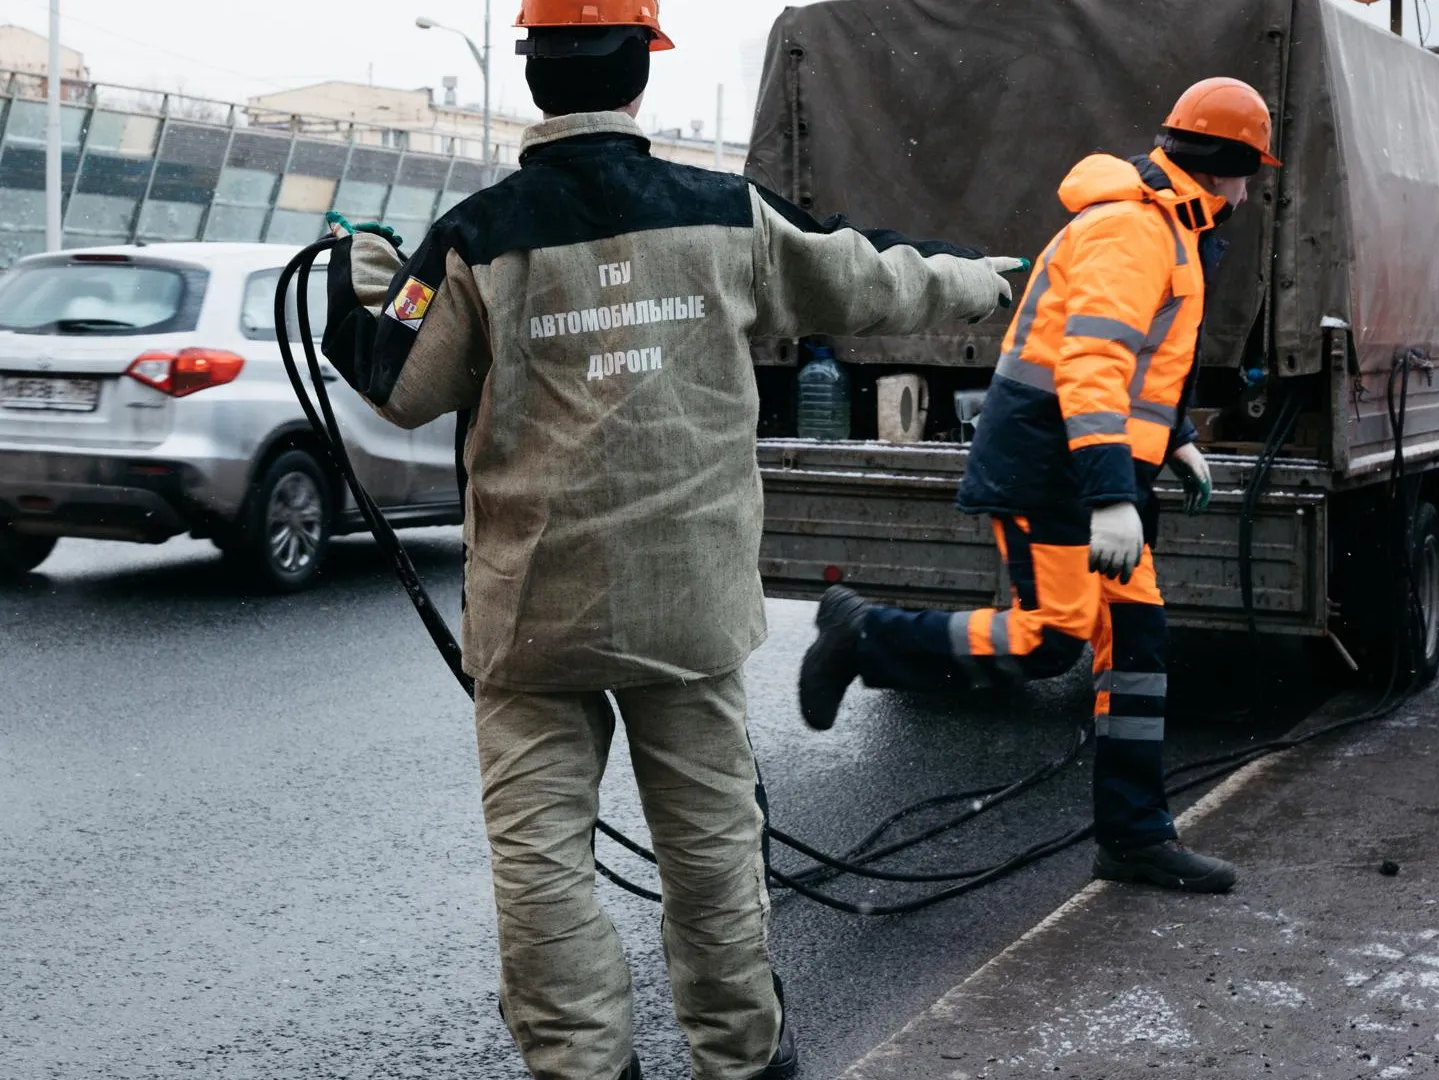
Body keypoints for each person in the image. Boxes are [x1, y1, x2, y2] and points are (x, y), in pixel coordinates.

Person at [318, 3, 1024, 1078]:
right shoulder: (722, 215)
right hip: (684, 611)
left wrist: (362, 278)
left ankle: (584, 1066)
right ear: (641, 68)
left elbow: (401, 385)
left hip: (532, 619)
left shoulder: (475, 234)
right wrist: (991, 278)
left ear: (534, 74)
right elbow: (872, 279)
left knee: (541, 872)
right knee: (708, 856)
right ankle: (741, 1056)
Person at [794, 77, 1282, 894]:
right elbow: (1088, 367)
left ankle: (1131, 837)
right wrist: (1112, 496)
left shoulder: (1168, 230)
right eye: (1249, 173)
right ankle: (864, 634)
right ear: (1228, 164)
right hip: (1053, 463)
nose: (1247, 191)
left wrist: (1178, 441)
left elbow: (1139, 367)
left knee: (1135, 640)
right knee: (1050, 637)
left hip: (1086, 459)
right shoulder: (1134, 230)